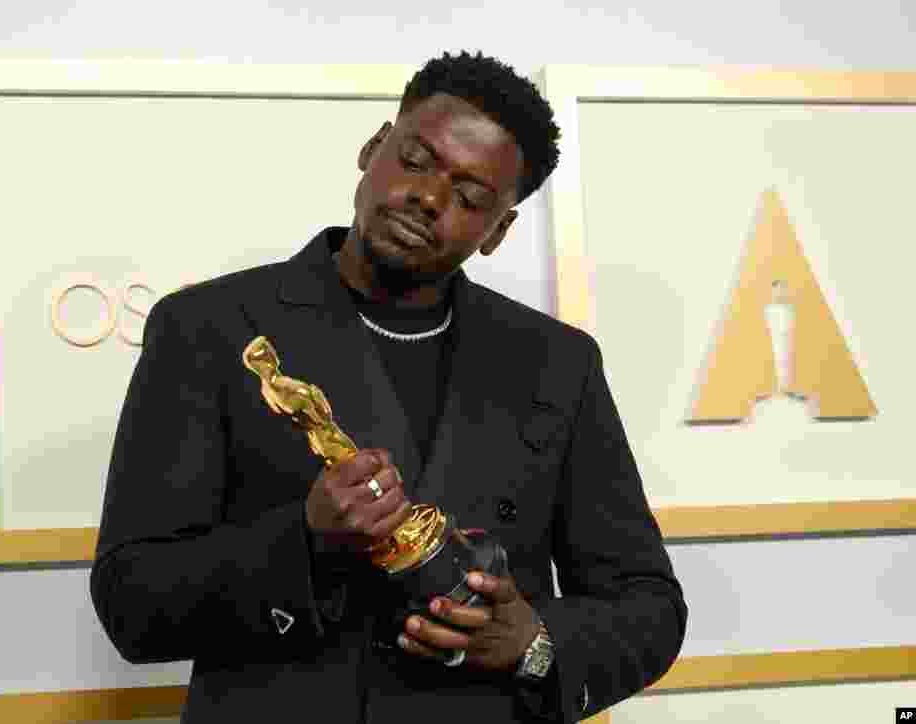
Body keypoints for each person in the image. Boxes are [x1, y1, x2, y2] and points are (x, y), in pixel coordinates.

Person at [91, 51, 687, 723]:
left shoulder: (558, 363)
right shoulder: (211, 329)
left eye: (469, 197)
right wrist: (306, 542)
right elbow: (130, 602)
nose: (428, 199)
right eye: (414, 160)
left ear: (498, 230)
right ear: (373, 148)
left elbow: (648, 606)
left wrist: (535, 644)